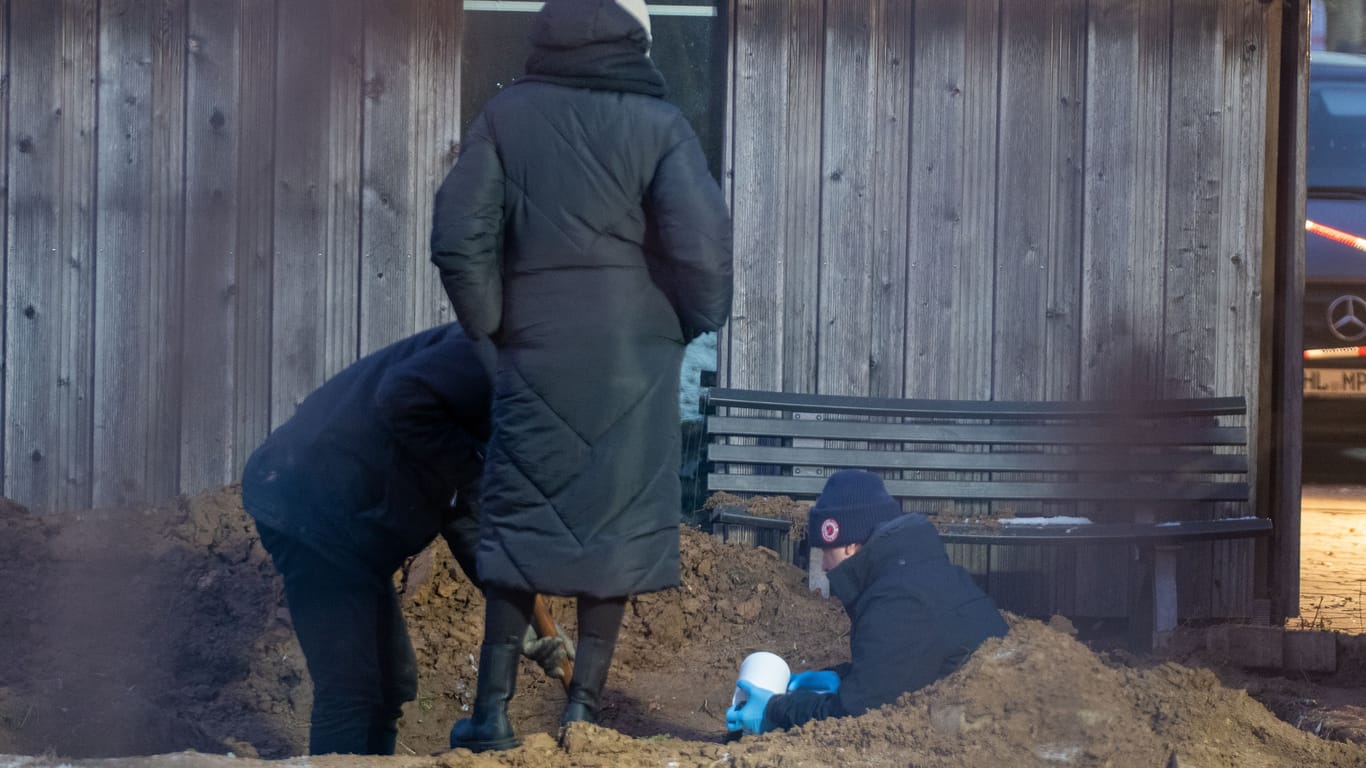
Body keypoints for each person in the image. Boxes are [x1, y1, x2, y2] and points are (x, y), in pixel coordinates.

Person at [429, 0, 733, 752]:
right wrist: (682, 325)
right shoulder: (662, 127)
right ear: (639, 39)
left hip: (534, 349)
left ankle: (492, 714)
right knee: (616, 527)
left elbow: (457, 240)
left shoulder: (507, 116)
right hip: (634, 356)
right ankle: (582, 715)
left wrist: (496, 329)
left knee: (520, 521)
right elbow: (704, 256)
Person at [240, 323, 571, 755]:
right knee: (351, 687)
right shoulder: (493, 357)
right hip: (306, 502)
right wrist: (480, 477)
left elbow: (466, 518)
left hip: (354, 522)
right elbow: (402, 402)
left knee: (392, 681)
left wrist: (519, 610)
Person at [726, 470, 1009, 735]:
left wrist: (774, 710)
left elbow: (857, 714)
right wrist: (839, 676)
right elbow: (905, 668)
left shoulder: (897, 600)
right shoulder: (917, 574)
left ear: (850, 544)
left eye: (826, 550)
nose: (824, 565)